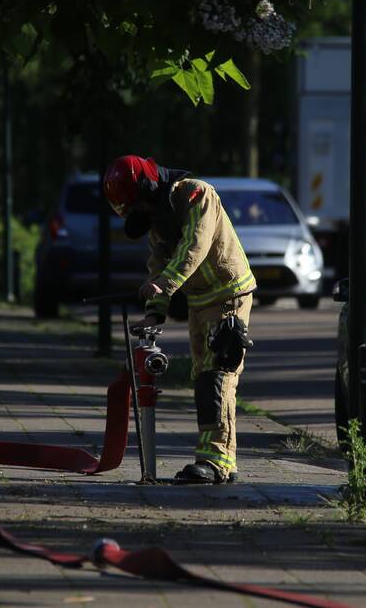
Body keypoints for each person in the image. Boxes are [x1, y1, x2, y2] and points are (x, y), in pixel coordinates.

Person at [103, 155, 255, 484]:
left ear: (148, 188)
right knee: (203, 380)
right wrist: (155, 312)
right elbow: (158, 261)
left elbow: (194, 247)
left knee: (219, 376)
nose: (140, 214)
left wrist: (165, 284)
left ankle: (215, 463)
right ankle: (221, 459)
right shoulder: (158, 215)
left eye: (138, 205)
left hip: (228, 295)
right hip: (200, 302)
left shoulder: (198, 196)